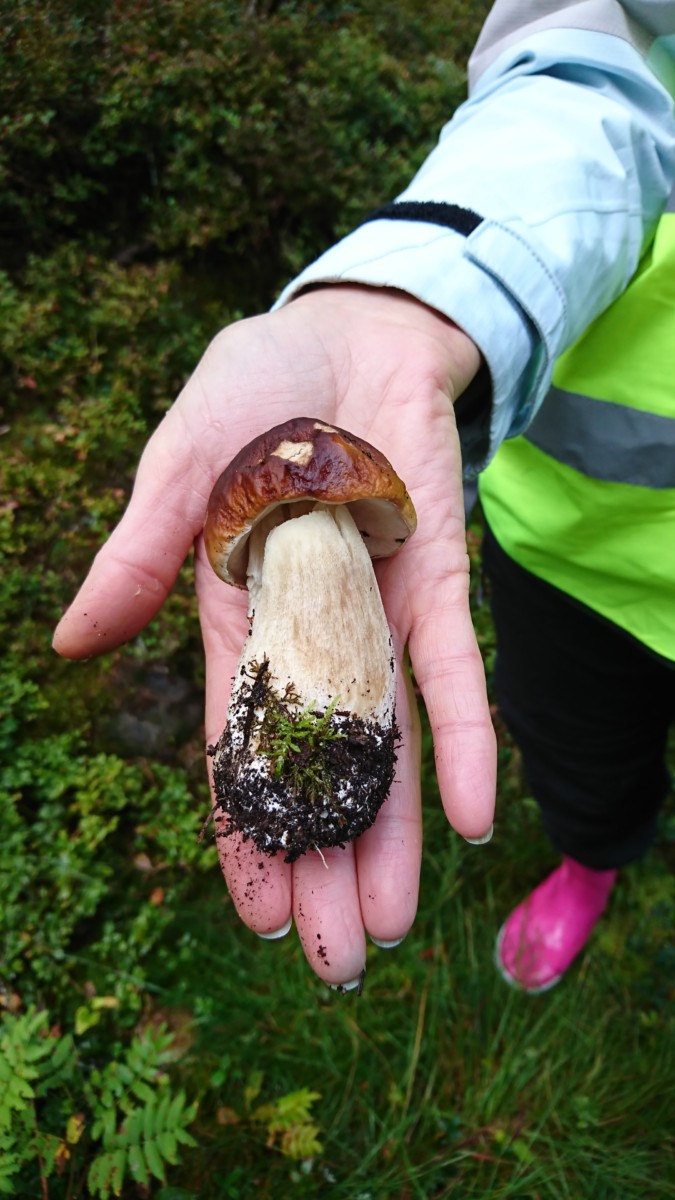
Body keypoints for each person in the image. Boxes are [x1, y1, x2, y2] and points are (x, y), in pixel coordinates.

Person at [53, 0, 675, 992]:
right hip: (578, 552)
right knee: (578, 748)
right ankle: (590, 860)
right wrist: (414, 290)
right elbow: (587, 76)